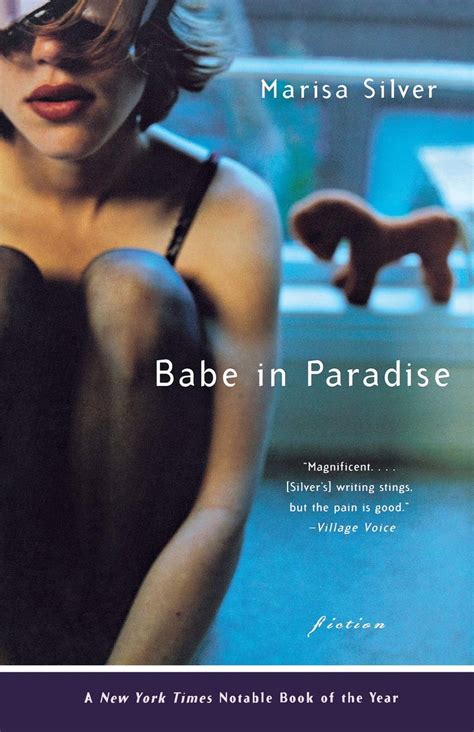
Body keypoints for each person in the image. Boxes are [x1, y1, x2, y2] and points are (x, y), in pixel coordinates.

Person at [0, 0, 281, 664]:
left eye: (85, 27)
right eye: (15, 31)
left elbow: (222, 506)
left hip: (123, 592)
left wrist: (120, 698)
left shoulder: (229, 208)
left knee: (135, 290)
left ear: (151, 39)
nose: (49, 54)